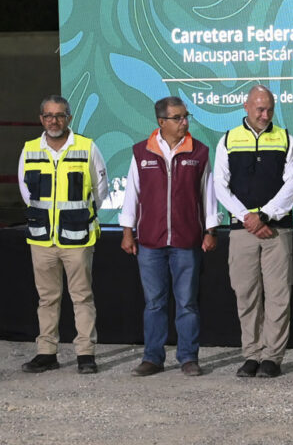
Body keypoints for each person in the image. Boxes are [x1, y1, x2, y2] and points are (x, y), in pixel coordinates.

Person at [119, 97, 219, 377]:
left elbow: (208, 194)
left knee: (187, 303)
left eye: (186, 116)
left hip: (187, 241)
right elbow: (132, 193)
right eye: (178, 118)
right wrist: (127, 232)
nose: (184, 122)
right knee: (154, 303)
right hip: (150, 241)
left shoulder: (199, 152)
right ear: (161, 122)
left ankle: (188, 357)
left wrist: (210, 230)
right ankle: (152, 358)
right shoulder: (142, 152)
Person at [214, 84, 293, 378]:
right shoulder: (228, 140)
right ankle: (251, 354)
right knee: (246, 293)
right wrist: (247, 218)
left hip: (277, 230)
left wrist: (263, 216)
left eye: (270, 110)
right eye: (260, 109)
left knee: (278, 295)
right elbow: (220, 186)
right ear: (246, 107)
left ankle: (272, 358)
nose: (265, 115)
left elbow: (292, 185)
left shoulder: (286, 139)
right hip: (242, 232)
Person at [17, 94, 109, 374]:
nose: (53, 121)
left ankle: (85, 354)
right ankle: (47, 353)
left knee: (82, 297)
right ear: (41, 119)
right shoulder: (30, 149)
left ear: (69, 118)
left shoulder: (87, 147)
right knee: (47, 298)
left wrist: (78, 215)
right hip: (42, 239)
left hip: (78, 237)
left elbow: (101, 190)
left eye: (59, 115)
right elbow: (26, 192)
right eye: (48, 115)